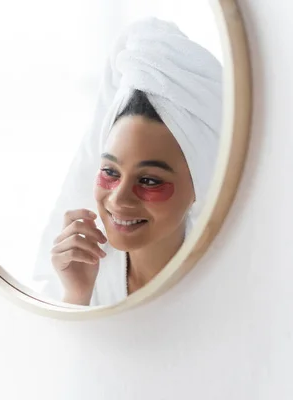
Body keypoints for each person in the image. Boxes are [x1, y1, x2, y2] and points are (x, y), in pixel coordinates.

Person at [32, 18, 223, 306]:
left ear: (201, 181)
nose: (119, 198)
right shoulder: (86, 273)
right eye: (110, 171)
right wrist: (76, 294)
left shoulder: (223, 285)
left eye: (149, 180)